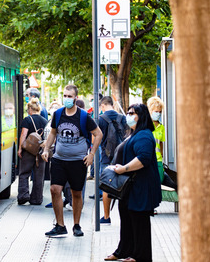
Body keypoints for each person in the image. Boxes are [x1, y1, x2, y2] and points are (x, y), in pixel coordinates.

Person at [41, 84, 103, 237]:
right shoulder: (58, 114)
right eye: (65, 95)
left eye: (70, 96)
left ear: (76, 97)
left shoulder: (83, 116)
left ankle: (76, 225)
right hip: (59, 159)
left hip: (77, 161)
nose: (67, 98)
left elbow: (99, 134)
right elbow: (53, 133)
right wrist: (46, 149)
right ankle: (60, 225)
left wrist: (92, 154)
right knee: (55, 190)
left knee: (76, 193)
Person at [104, 103, 161, 262]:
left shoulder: (144, 135)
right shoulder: (135, 133)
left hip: (140, 186)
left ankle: (139, 256)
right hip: (130, 186)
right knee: (127, 219)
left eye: (132, 113)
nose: (128, 116)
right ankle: (124, 251)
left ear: (141, 116)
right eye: (128, 112)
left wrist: (124, 168)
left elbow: (143, 158)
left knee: (138, 221)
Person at [98, 96, 128, 225]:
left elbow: (96, 139)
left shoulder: (100, 119)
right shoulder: (123, 118)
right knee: (124, 184)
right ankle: (125, 216)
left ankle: (106, 216)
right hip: (122, 156)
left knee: (107, 185)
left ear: (103, 106)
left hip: (106, 156)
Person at [17, 98, 48, 205]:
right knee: (39, 175)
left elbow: (23, 135)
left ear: (30, 109)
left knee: (24, 173)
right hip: (41, 151)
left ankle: (23, 195)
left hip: (29, 151)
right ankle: (37, 199)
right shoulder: (45, 121)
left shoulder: (27, 120)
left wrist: (20, 148)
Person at [147, 96, 165, 182]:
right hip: (148, 160)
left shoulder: (161, 127)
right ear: (150, 111)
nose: (158, 114)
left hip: (158, 160)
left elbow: (161, 143)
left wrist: (161, 155)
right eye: (156, 111)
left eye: (160, 112)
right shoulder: (146, 126)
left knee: (160, 181)